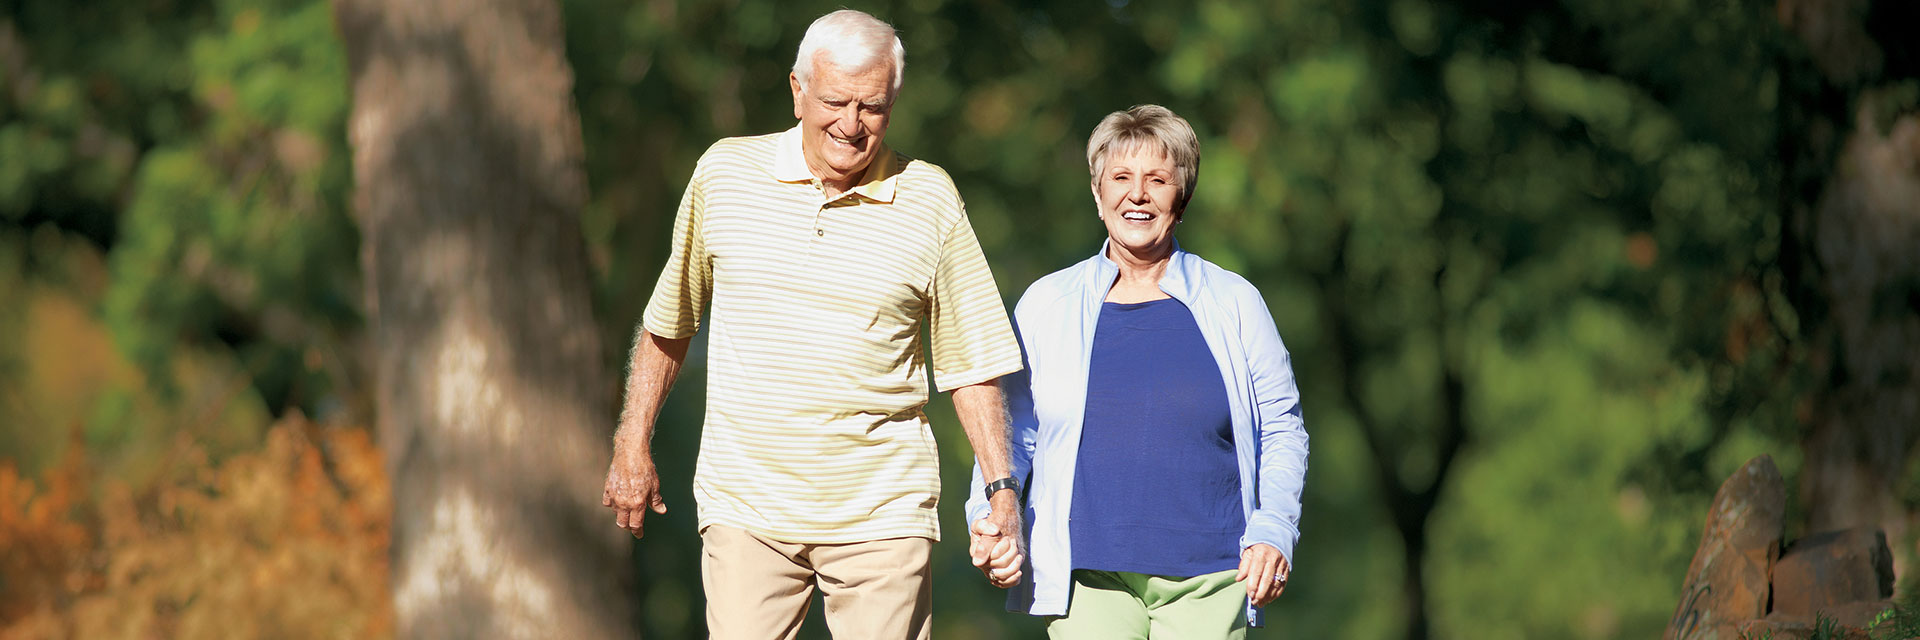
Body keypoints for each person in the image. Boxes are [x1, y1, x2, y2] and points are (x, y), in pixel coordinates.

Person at [600, 10, 1028, 640]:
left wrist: (1001, 491)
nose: (851, 125)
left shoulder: (929, 197)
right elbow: (671, 320)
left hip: (883, 509)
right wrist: (631, 443)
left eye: (872, 107)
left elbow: (973, 361)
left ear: (893, 104)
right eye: (834, 102)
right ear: (797, 90)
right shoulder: (724, 174)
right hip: (746, 505)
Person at [966, 104, 1309, 638]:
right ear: (1098, 192)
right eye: (1121, 178)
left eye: (1158, 180)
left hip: (1214, 572)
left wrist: (1274, 528)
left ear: (1182, 196)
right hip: (1084, 577)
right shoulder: (1046, 304)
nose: (1138, 195)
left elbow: (1282, 428)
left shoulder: (1235, 301)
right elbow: (1009, 432)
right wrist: (987, 518)